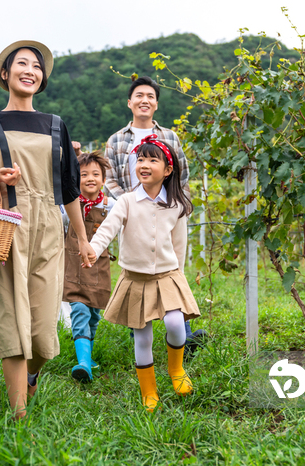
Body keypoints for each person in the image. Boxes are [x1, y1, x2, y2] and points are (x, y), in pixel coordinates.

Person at [0, 40, 95, 420]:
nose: (30, 70)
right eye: (21, 64)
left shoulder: (55, 125)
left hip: (50, 226)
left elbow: (68, 188)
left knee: (43, 325)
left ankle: (33, 374)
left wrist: (82, 238)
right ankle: (18, 417)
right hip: (5, 225)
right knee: (11, 318)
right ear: (5, 74)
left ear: (42, 78)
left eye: (36, 66)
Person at [84, 135, 200, 412]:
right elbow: (107, 229)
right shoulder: (126, 201)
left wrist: (180, 280)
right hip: (135, 278)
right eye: (141, 159)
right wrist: (92, 248)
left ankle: (176, 370)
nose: (144, 164)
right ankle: (149, 391)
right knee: (143, 336)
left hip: (167, 275)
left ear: (168, 170)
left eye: (152, 160)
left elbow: (179, 247)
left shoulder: (177, 205)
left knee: (175, 323)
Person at [104, 75, 205, 355]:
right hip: (133, 214)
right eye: (139, 95)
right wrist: (127, 202)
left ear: (156, 104)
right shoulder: (115, 140)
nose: (144, 100)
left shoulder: (169, 137)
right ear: (129, 102)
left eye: (150, 96)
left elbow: (182, 173)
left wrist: (176, 202)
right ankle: (141, 328)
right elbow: (109, 177)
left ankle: (182, 334)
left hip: (166, 211)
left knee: (172, 266)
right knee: (136, 270)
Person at [61, 150, 115, 383]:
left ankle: (88, 356)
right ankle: (82, 362)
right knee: (80, 311)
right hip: (73, 269)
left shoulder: (110, 206)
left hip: (99, 269)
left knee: (93, 315)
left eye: (96, 174)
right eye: (84, 174)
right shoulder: (67, 209)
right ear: (75, 179)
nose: (90, 178)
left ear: (103, 179)